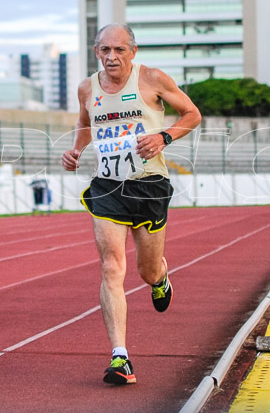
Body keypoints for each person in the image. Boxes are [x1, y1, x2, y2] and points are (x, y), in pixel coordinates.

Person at [62, 23, 202, 385]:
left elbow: (192, 114)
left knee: (146, 270)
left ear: (132, 52)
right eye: (105, 50)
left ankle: (161, 279)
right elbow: (84, 123)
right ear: (96, 52)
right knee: (111, 267)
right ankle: (120, 357)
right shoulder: (86, 89)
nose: (111, 57)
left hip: (150, 185)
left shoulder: (152, 80)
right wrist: (78, 150)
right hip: (108, 186)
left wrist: (163, 137)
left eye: (119, 50)